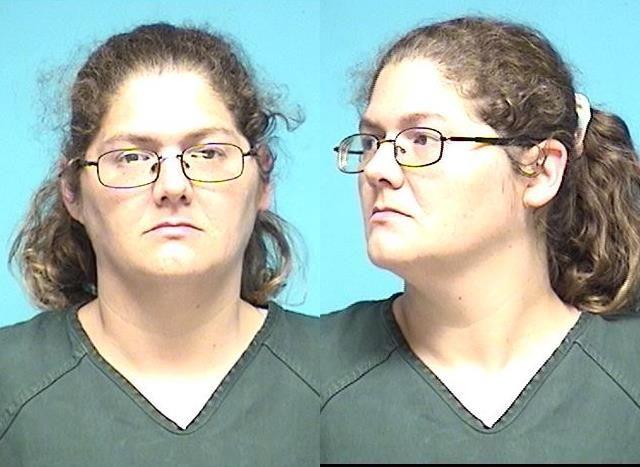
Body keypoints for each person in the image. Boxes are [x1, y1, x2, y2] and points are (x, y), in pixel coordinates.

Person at [322, 16, 640, 463]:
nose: (377, 169)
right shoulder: (312, 370)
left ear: (540, 171)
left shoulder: (627, 375)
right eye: (373, 141)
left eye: (422, 139)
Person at [0, 23, 319, 466]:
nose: (173, 185)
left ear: (263, 178)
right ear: (72, 189)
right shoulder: (10, 385)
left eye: (208, 153)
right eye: (131, 157)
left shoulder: (331, 375)